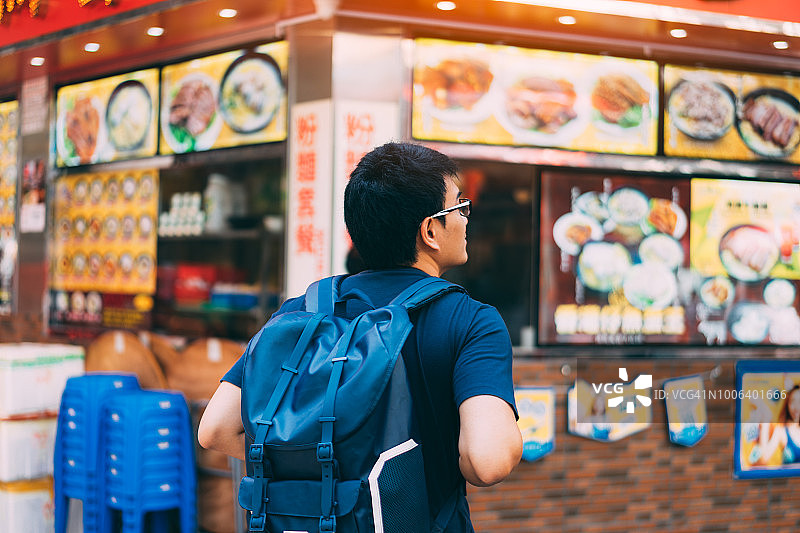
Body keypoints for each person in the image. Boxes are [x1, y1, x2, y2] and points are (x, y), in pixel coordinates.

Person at [198, 141, 523, 531]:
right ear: (430, 231)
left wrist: (327, 466)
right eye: (459, 207)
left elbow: (216, 429)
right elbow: (488, 462)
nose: (466, 219)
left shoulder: (302, 311)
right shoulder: (471, 321)